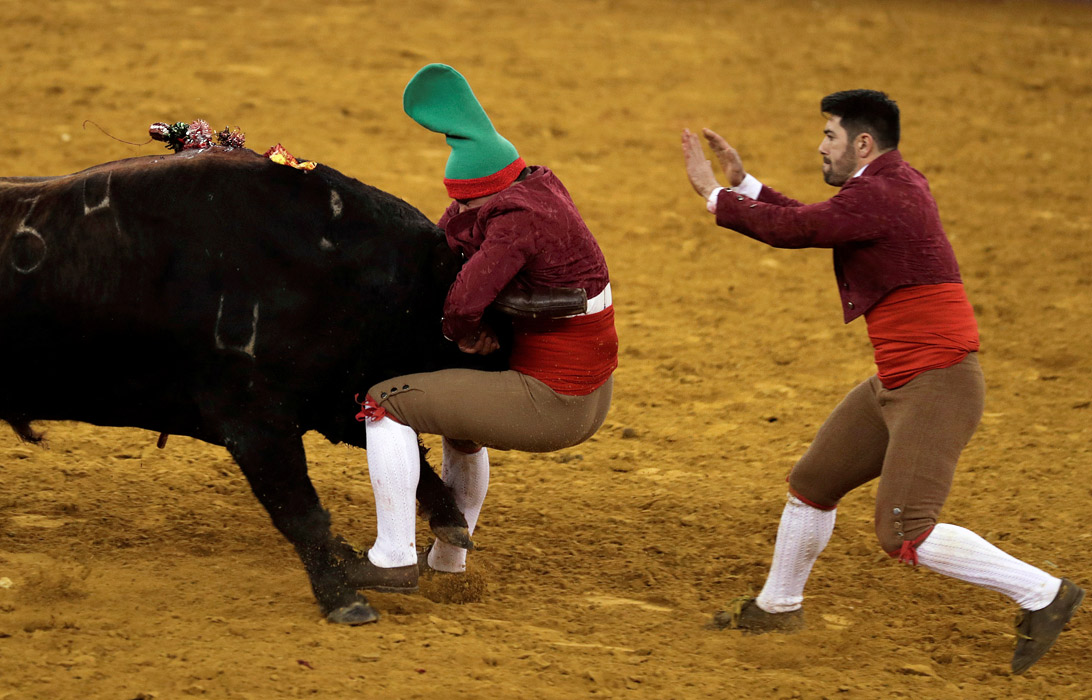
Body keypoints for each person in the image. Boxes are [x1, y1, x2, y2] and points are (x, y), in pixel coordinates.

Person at [681, 89, 1082, 674]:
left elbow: (797, 231)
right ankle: (777, 605)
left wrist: (712, 194)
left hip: (935, 382)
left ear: (862, 143)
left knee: (906, 531)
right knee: (815, 480)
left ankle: (1044, 593)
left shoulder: (885, 193)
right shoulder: (888, 187)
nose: (821, 147)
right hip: (901, 379)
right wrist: (745, 187)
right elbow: (819, 221)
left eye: (830, 136)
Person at [351, 63, 617, 592]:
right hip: (589, 392)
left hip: (552, 403)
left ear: (492, 194)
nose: (460, 213)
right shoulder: (537, 186)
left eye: (469, 203)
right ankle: (449, 563)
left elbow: (463, 303)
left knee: (386, 402)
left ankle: (393, 558)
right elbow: (454, 228)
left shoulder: (513, 221)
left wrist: (464, 333)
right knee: (460, 422)